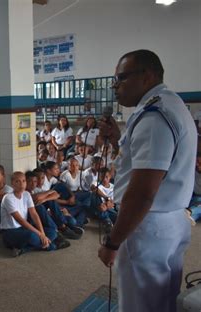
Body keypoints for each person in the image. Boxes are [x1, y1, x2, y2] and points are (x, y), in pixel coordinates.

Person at [98, 50, 197, 312]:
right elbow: (140, 167)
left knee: (139, 306)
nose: (115, 86)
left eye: (120, 78)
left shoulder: (153, 117)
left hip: (148, 225)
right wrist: (116, 138)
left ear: (147, 76)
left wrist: (113, 242)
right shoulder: (170, 104)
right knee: (162, 301)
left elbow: (142, 192)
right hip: (170, 220)